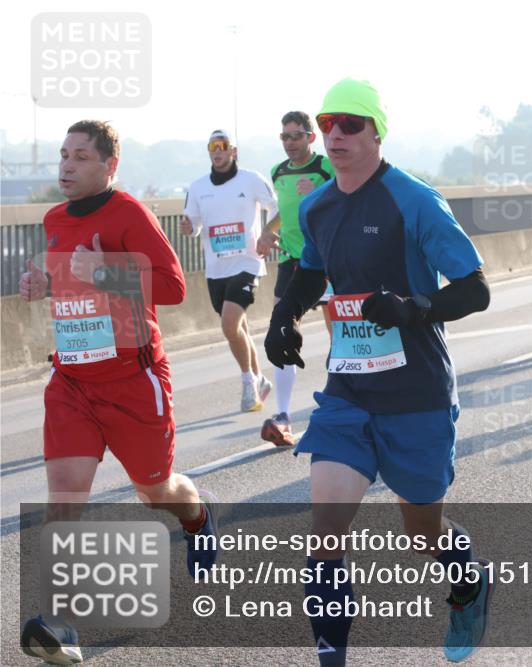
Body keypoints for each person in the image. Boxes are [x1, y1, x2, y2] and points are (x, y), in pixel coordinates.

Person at [263, 79, 492, 665]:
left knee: (421, 535)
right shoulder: (317, 206)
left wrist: (414, 308)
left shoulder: (414, 199)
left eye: (350, 124)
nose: (335, 134)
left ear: (377, 132)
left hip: (416, 392)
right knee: (325, 538)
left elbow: (475, 289)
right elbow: (311, 272)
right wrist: (283, 315)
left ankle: (468, 581)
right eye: (328, 123)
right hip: (349, 391)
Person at [18, 121, 218, 665]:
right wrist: (44, 284)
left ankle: (197, 516)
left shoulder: (130, 213)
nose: (66, 165)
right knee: (64, 499)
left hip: (133, 381)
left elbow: (174, 286)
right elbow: (70, 276)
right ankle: (59, 624)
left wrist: (109, 270)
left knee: (155, 491)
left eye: (81, 156)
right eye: (63, 155)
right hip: (73, 381)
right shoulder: (55, 218)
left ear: (110, 166)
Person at [182, 130, 277, 412]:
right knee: (240, 327)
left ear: (233, 151)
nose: (217, 151)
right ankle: (261, 379)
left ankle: (248, 382)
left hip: (248, 262)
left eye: (223, 146)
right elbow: (195, 224)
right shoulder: (198, 187)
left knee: (229, 325)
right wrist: (189, 228)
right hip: (216, 268)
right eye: (212, 146)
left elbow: (276, 206)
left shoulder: (251, 179)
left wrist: (268, 234)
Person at [255, 112, 335, 447]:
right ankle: (284, 416)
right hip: (292, 261)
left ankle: (341, 402)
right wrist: (265, 233)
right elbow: (284, 211)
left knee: (341, 336)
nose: (290, 143)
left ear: (311, 138)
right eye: (284, 137)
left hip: (328, 260)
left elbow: (347, 196)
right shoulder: (278, 171)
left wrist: (321, 189)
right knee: (281, 331)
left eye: (296, 136)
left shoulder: (325, 168)